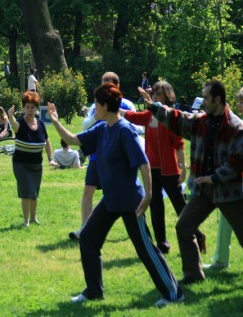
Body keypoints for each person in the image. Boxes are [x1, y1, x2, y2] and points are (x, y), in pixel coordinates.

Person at [48, 83, 184, 307]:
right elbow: (73, 139)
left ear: (104, 105)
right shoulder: (102, 129)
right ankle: (94, 291)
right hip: (111, 200)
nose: (94, 108)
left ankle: (173, 292)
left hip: (132, 202)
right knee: (89, 238)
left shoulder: (125, 130)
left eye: (96, 104)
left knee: (145, 248)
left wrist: (148, 194)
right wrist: (54, 120)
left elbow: (143, 163)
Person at [141, 80, 243, 285]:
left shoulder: (236, 127)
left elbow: (237, 162)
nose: (203, 102)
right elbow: (177, 119)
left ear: (217, 99)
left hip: (228, 192)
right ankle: (193, 274)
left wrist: (214, 177)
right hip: (203, 191)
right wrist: (154, 106)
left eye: (206, 98)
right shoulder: (200, 122)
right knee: (184, 227)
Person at [123, 81, 206, 255]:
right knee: (155, 206)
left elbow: (179, 144)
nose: (154, 96)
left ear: (168, 97)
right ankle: (162, 244)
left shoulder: (170, 117)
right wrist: (114, 106)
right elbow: (129, 115)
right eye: (154, 93)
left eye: (159, 94)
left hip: (169, 170)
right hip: (151, 169)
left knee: (179, 205)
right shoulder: (147, 116)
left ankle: (197, 235)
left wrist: (183, 168)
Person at [69, 72, 142, 240]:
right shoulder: (97, 105)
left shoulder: (127, 105)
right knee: (88, 190)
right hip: (97, 155)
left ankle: (136, 226)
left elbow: (138, 126)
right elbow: (85, 125)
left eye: (109, 84)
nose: (105, 87)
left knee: (125, 195)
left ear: (117, 86)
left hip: (120, 158)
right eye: (103, 83)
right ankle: (84, 229)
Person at [203, 86, 243, 270]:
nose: (240, 105)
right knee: (225, 220)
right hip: (235, 183)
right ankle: (220, 260)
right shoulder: (236, 123)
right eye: (240, 101)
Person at [6, 91, 53, 227]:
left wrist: (50, 158)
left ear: (36, 108)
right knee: (27, 191)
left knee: (34, 192)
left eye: (32, 107)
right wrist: (10, 116)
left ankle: (33, 218)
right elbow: (14, 126)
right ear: (24, 108)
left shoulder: (40, 124)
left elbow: (47, 141)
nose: (30, 110)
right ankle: (26, 221)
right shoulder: (20, 123)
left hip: (37, 165)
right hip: (21, 164)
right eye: (27, 107)